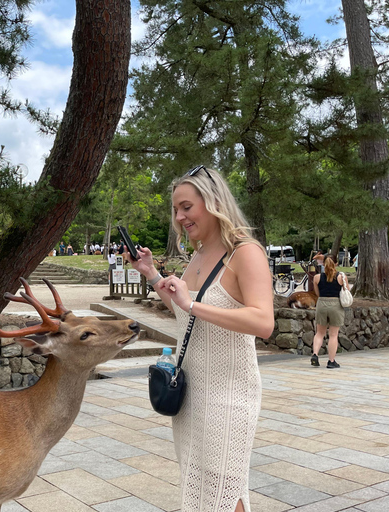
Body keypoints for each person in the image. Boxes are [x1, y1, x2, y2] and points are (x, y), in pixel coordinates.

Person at [123, 165, 273, 512]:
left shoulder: (245, 252)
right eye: (176, 209)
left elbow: (263, 322)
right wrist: (151, 274)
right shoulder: (200, 255)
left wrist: (192, 304)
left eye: (187, 207)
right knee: (200, 485)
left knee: (225, 489)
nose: (179, 217)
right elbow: (186, 312)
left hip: (229, 394)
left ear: (214, 202)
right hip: (191, 393)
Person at [310, 257, 350, 368]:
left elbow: (317, 293)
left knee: (319, 333)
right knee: (333, 335)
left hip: (322, 303)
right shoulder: (341, 277)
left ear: (323, 264)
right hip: (336, 304)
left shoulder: (317, 277)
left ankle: (315, 354)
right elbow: (347, 291)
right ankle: (331, 361)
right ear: (336, 263)